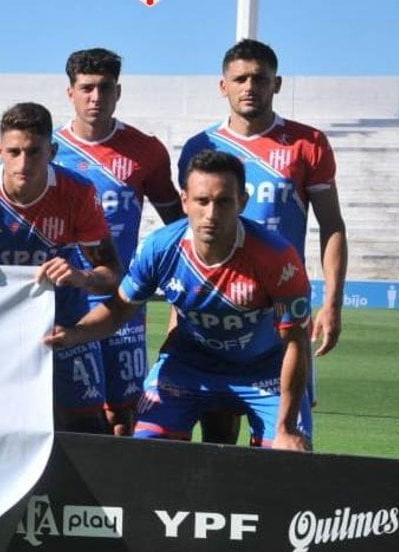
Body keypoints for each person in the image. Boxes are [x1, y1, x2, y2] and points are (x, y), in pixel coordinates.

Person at [45, 151, 313, 452]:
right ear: (185, 200)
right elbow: (119, 311)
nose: (211, 214)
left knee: (288, 456)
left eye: (223, 201)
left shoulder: (277, 257)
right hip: (187, 366)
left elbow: (296, 343)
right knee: (147, 453)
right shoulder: (160, 247)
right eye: (202, 201)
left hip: (264, 372)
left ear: (242, 202)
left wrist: (287, 428)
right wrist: (73, 334)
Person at [178, 39, 347, 442]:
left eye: (260, 78)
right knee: (218, 429)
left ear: (277, 84)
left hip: (282, 307)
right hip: (215, 305)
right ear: (223, 86)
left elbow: (332, 225)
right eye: (240, 78)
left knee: (286, 436)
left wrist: (332, 303)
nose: (250, 86)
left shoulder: (308, 143)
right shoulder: (200, 148)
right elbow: (189, 229)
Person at [0, 102, 119, 433]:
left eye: (34, 152)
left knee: (86, 428)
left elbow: (111, 275)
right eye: (13, 151)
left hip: (61, 328)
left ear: (52, 151)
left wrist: (81, 277)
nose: (23, 163)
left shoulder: (78, 192)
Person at [51, 48, 181, 436]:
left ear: (118, 92)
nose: (96, 97)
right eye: (86, 88)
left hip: (123, 299)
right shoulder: (48, 151)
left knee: (121, 415)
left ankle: (117, 495)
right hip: (66, 300)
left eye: (104, 88)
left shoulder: (146, 151)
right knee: (72, 412)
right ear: (70, 92)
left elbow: (176, 222)